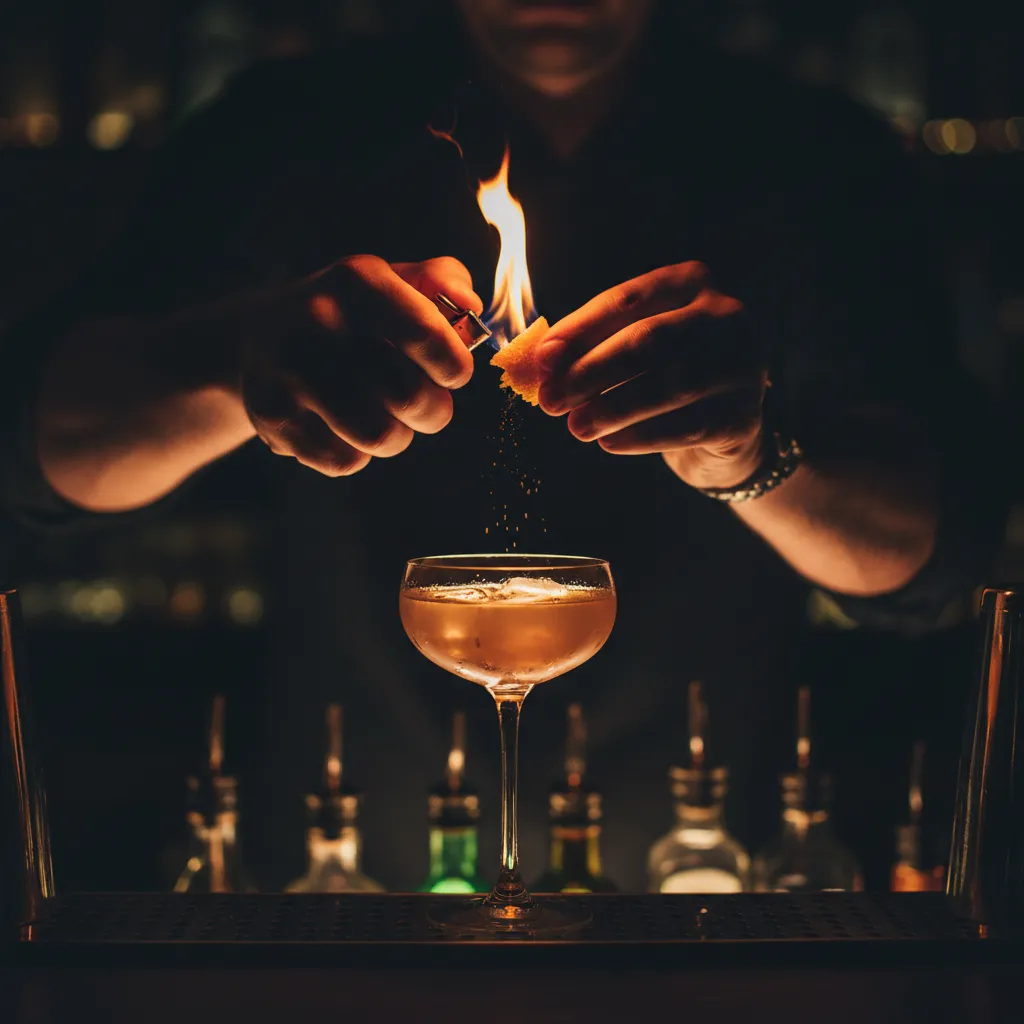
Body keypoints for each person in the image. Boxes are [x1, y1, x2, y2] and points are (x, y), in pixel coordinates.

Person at [0, 0, 1006, 889]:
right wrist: (234, 359)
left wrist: (747, 454)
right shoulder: (282, 130)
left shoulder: (814, 153)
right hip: (337, 891)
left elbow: (932, 557)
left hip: (701, 888)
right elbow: (36, 462)